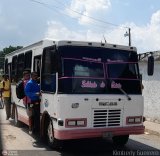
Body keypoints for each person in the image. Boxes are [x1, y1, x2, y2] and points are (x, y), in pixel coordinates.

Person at [22, 70, 32, 134]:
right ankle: (30, 129)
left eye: (29, 75)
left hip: (26, 101)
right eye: (27, 75)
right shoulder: (26, 82)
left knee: (30, 115)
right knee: (30, 115)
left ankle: (30, 127)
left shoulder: (23, 81)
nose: (28, 76)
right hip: (28, 101)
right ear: (24, 76)